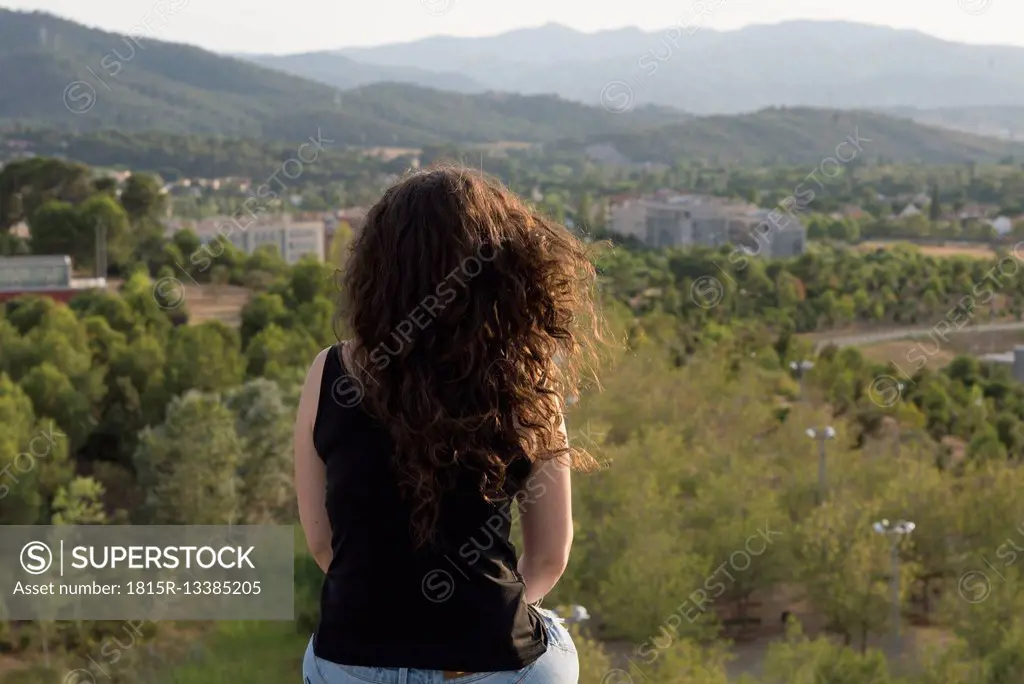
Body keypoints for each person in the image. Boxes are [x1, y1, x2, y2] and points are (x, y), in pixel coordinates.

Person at [294, 166, 604, 684]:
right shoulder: (528, 381)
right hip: (492, 659)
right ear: (502, 271)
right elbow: (550, 557)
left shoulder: (329, 374)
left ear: (378, 270)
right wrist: (469, 620)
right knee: (557, 640)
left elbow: (324, 546)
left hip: (349, 657)